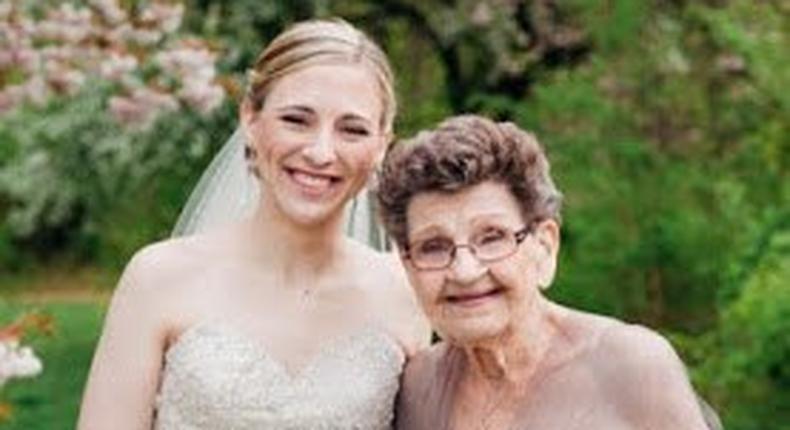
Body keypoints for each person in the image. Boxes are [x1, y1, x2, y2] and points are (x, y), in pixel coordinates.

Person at [78, 18, 428, 430]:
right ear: (250, 118)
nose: (320, 152)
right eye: (297, 120)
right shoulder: (158, 277)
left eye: (352, 129)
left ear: (381, 145)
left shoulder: (407, 291)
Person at [376, 115, 720, 430]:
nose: (465, 271)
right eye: (433, 246)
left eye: (492, 238)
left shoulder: (631, 366)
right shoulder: (417, 389)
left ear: (545, 246)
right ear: (408, 265)